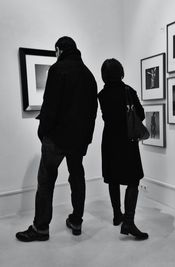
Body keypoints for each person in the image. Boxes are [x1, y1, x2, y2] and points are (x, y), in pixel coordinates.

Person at [16, 36, 98, 241]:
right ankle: (76, 221)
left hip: (57, 138)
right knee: (77, 178)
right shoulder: (89, 75)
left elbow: (50, 105)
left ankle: (41, 228)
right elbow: (92, 112)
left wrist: (42, 131)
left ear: (59, 50)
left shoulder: (57, 69)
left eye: (56, 52)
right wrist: (87, 138)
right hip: (78, 141)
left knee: (46, 181)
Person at [98, 58, 148, 240]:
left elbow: (106, 117)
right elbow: (140, 115)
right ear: (121, 72)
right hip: (127, 140)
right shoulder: (128, 91)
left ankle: (117, 214)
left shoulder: (101, 95)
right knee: (133, 180)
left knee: (113, 178)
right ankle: (129, 221)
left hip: (110, 140)